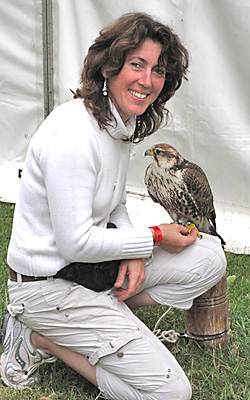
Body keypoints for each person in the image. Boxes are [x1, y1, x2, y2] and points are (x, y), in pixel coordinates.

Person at [0, 12, 226, 400]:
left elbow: (116, 204)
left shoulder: (119, 124)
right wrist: (151, 238)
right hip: (47, 287)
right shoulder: (73, 133)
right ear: (109, 66)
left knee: (210, 255)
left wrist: (135, 254)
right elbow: (75, 243)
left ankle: (102, 314)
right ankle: (43, 339)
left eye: (158, 70)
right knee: (172, 393)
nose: (147, 80)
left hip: (87, 273)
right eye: (136, 64)